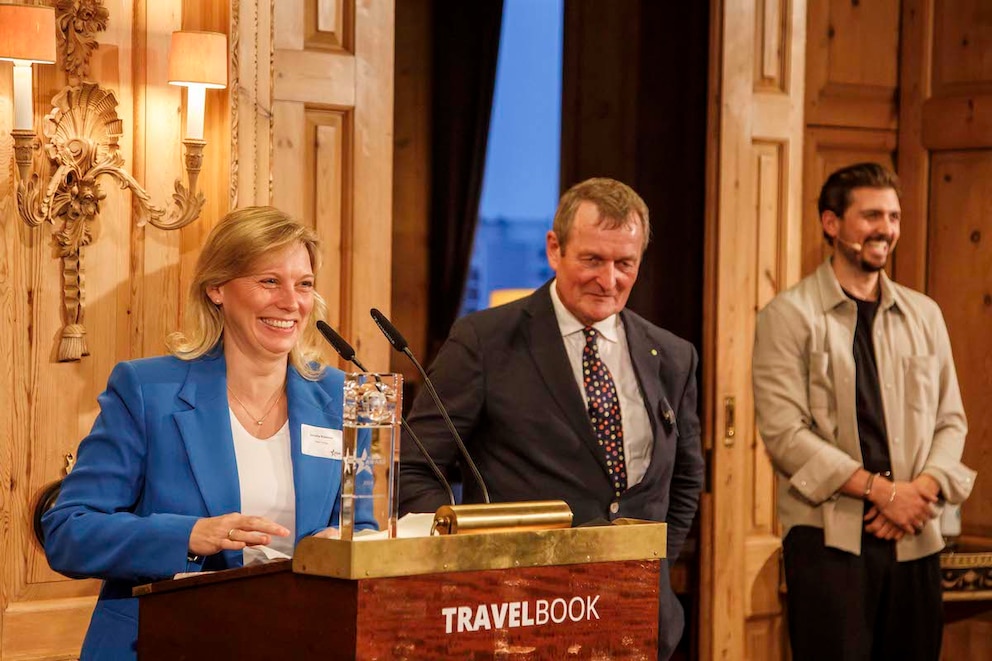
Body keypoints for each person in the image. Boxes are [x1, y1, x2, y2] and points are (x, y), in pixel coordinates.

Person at [400, 177, 705, 660]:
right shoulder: (484, 341)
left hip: (640, 619)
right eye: (592, 260)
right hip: (517, 619)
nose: (609, 281)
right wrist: (466, 567)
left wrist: (654, 563)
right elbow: (416, 467)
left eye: (625, 263)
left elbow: (686, 477)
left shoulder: (672, 355)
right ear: (554, 248)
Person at [42, 206, 357, 660]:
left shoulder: (342, 398)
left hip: (303, 639)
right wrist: (189, 535)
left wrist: (345, 544)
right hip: (165, 642)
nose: (292, 302)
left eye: (304, 284)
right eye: (269, 281)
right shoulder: (148, 391)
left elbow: (365, 524)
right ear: (216, 289)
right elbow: (70, 531)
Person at [752, 163, 976, 660]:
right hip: (828, 541)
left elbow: (951, 420)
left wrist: (920, 492)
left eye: (894, 216)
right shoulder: (787, 316)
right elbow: (786, 434)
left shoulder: (926, 314)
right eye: (871, 215)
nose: (887, 229)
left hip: (916, 533)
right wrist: (882, 492)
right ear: (831, 223)